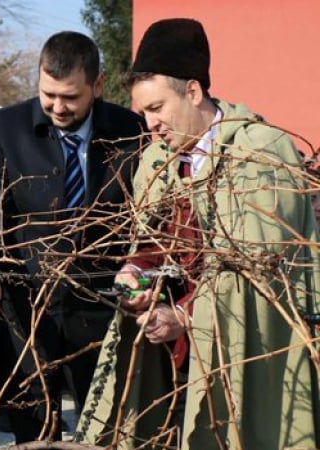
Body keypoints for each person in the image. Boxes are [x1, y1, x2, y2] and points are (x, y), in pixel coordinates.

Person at [75, 18, 320, 449]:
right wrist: (134, 274)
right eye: (142, 113)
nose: (149, 125)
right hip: (169, 361)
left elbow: (256, 268)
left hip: (246, 354)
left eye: (156, 109)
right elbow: (152, 243)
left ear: (193, 91)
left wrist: (186, 317)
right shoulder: (156, 161)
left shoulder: (258, 153)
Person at [0, 31, 144, 443]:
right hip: (28, 309)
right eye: (48, 95)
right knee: (35, 429)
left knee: (106, 428)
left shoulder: (130, 130)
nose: (57, 107)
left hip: (101, 307)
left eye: (70, 97)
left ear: (97, 86)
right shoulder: (5, 127)